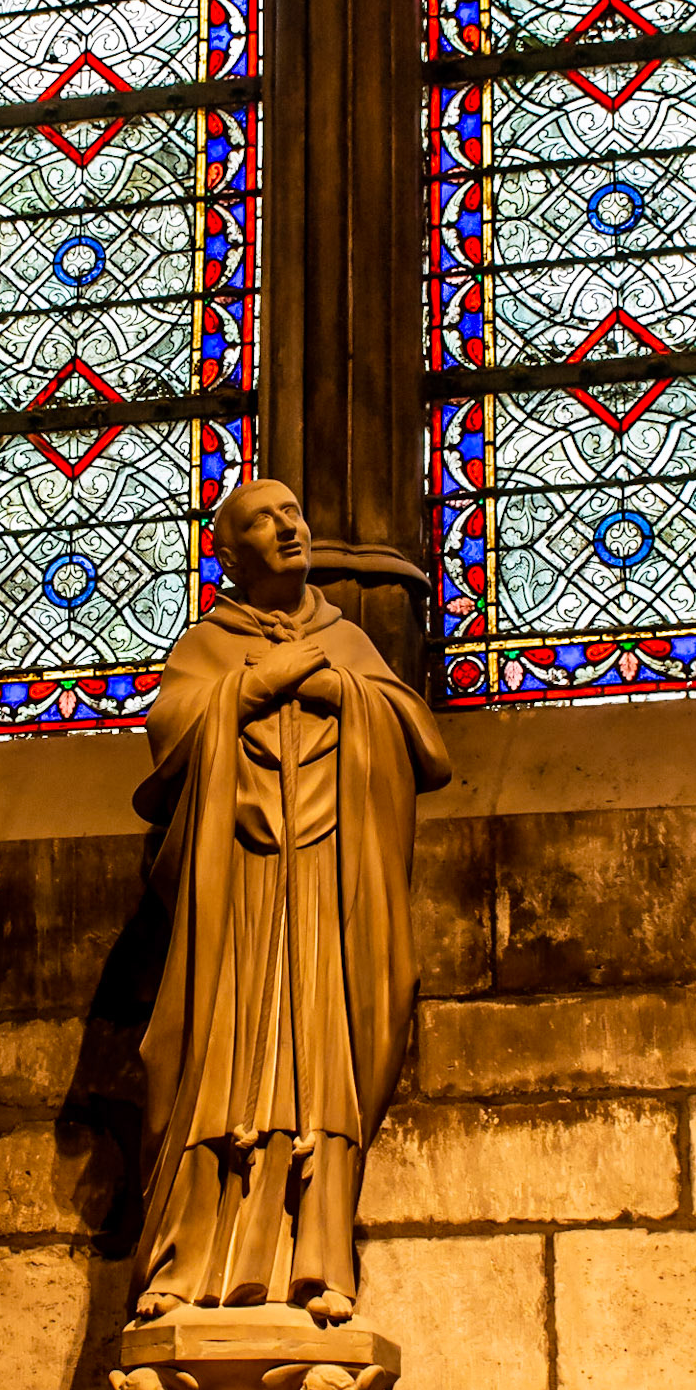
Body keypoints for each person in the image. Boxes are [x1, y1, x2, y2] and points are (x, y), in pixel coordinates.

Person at [130, 478, 450, 1325]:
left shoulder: (346, 641)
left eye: (293, 512)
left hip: (328, 892)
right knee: (214, 1068)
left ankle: (321, 1263)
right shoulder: (207, 646)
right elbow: (169, 743)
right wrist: (252, 688)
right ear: (229, 556)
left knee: (324, 1075)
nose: (288, 527)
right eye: (262, 520)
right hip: (237, 892)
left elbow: (420, 742)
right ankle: (187, 1264)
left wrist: (343, 693)